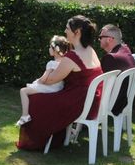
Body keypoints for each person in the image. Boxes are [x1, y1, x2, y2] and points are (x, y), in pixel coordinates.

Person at [16, 15, 103, 151]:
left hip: (79, 102)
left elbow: (50, 81)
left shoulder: (73, 56)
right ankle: (56, 138)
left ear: (77, 32)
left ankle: (37, 142)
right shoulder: (91, 50)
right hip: (92, 100)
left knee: (35, 100)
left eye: (67, 28)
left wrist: (47, 71)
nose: (65, 31)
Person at [16, 35, 70, 126]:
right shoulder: (65, 63)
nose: (49, 49)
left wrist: (38, 82)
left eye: (50, 47)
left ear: (55, 49)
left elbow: (44, 79)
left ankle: (25, 115)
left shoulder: (51, 63)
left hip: (50, 88)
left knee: (23, 91)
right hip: (58, 88)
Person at [98, 24, 135, 115]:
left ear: (109, 39)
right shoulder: (125, 50)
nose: (99, 39)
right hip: (123, 100)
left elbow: (100, 83)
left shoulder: (111, 57)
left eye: (100, 37)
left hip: (113, 103)